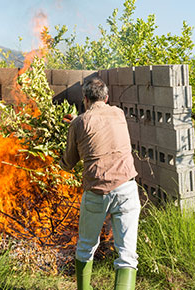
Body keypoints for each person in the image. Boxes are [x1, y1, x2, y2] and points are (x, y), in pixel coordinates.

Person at [60, 77, 140, 290]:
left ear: (85, 99)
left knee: (86, 247)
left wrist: (72, 131)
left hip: (97, 192)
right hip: (127, 188)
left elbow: (68, 163)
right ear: (107, 98)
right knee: (127, 254)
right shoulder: (119, 113)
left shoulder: (78, 123)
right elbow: (100, 126)